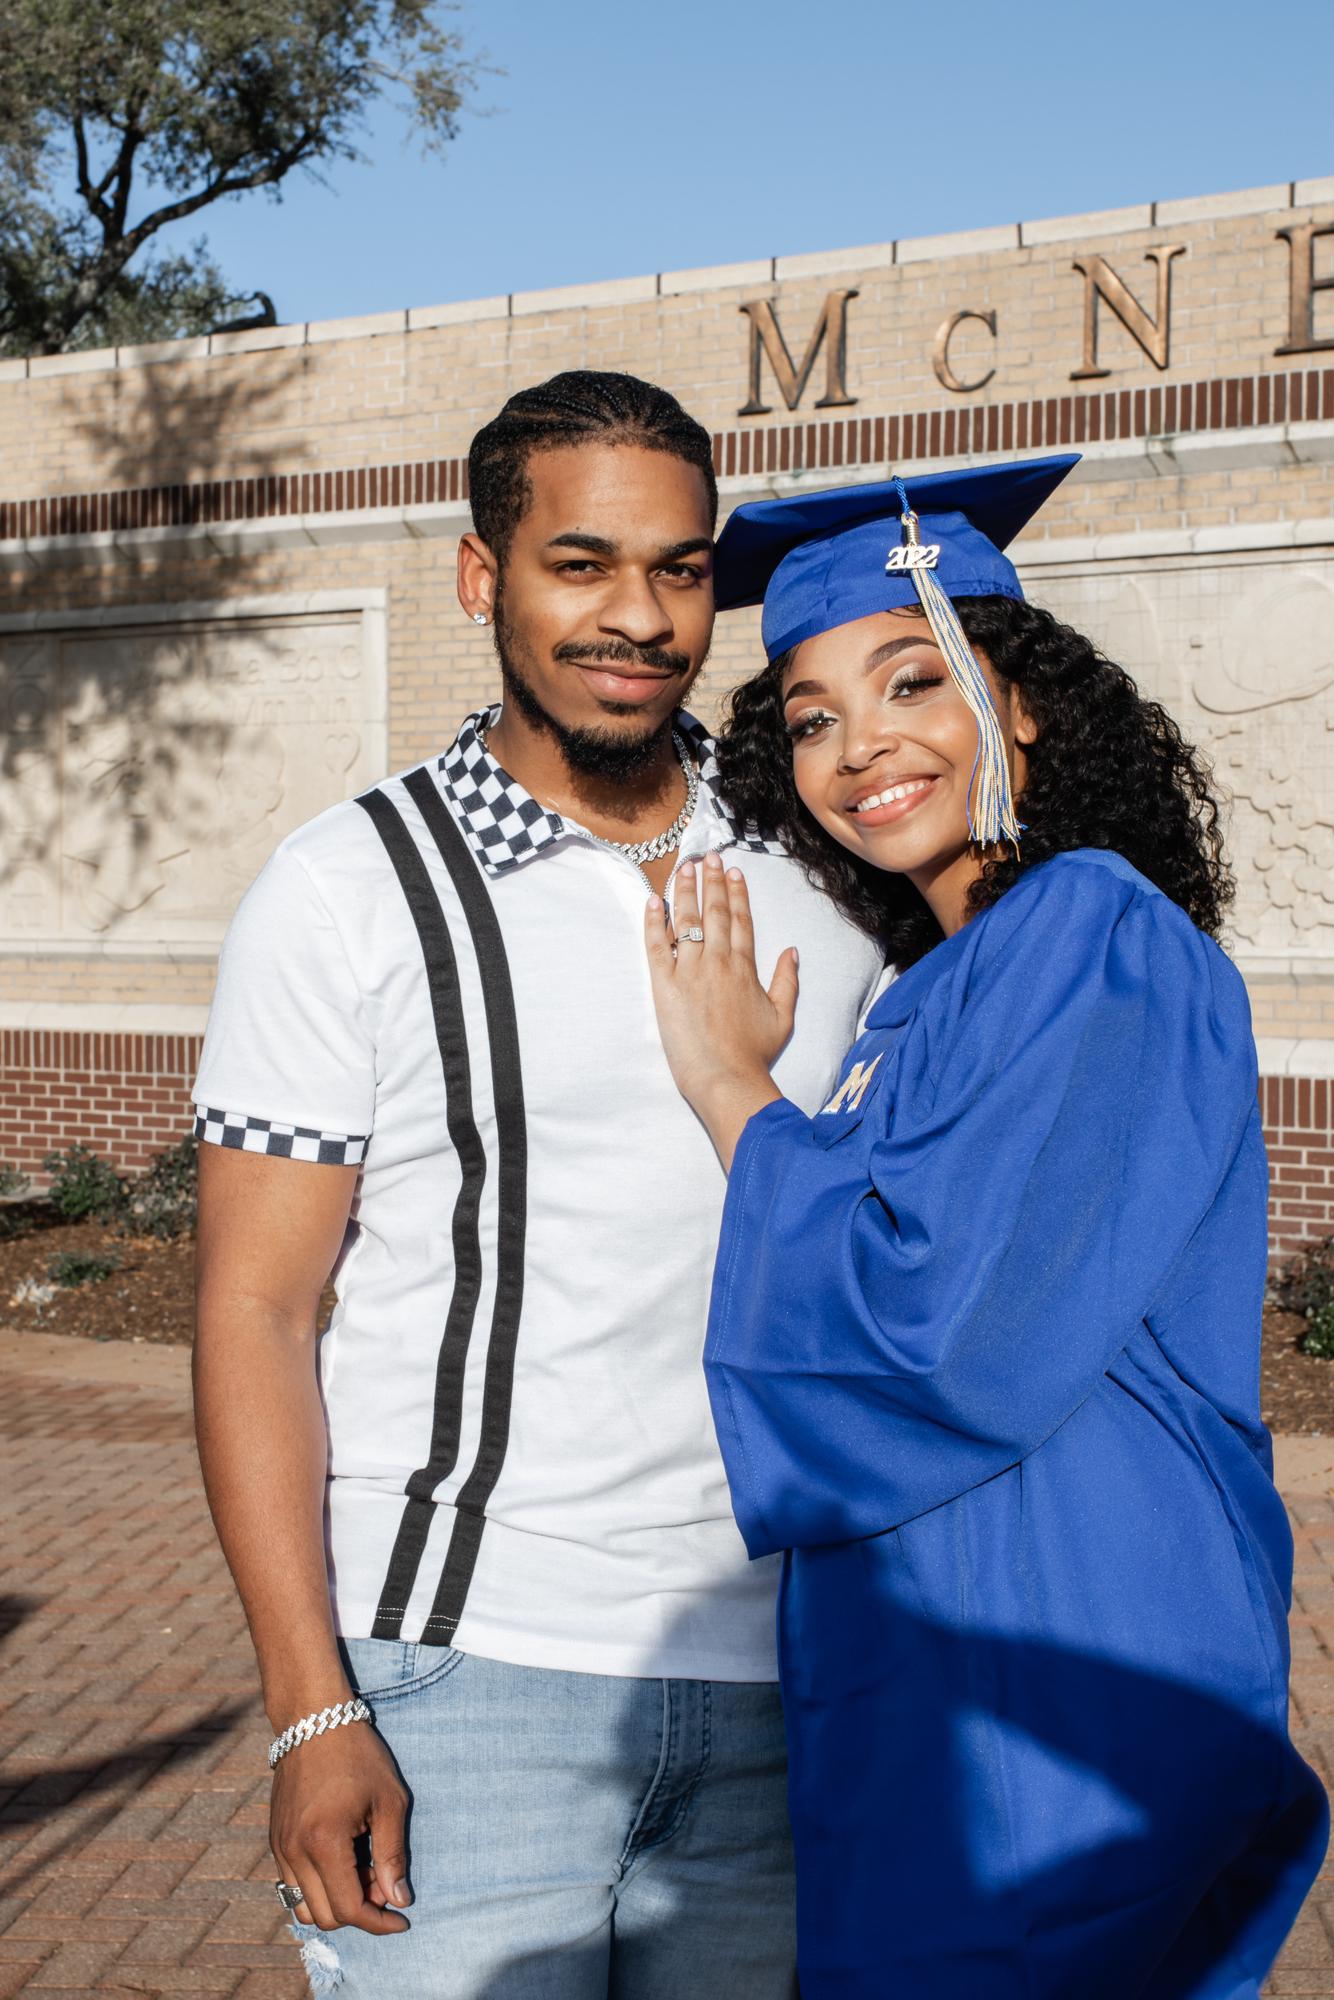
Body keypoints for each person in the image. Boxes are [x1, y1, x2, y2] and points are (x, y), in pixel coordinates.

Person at [191, 369, 885, 2000]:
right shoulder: (350, 889)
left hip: (792, 1682)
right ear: (480, 576)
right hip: (460, 1683)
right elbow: (255, 1308)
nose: (637, 617)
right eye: (581, 565)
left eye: (678, 570)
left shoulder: (828, 868)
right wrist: (309, 1704)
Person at [643, 454, 1330, 1999]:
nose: (857, 746)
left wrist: (730, 1088)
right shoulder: (936, 979)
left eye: (909, 681)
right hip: (940, 1649)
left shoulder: (1089, 927)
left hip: (1061, 1639)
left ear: (1018, 704)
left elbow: (931, 1318)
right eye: (809, 718)